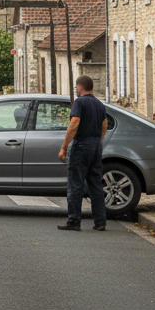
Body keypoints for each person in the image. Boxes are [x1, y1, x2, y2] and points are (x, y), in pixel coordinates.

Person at [58, 75, 109, 232]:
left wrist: (64, 147)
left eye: (76, 87)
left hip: (81, 145)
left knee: (76, 183)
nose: (76, 89)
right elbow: (104, 124)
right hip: (95, 146)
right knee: (95, 184)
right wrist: (99, 142)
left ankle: (74, 221)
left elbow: (74, 123)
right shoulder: (99, 104)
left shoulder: (79, 102)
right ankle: (100, 221)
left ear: (79, 87)